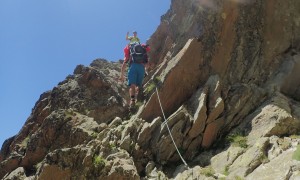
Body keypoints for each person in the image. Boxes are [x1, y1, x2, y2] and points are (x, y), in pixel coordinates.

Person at [120, 36, 150, 108]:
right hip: (142, 68)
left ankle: (133, 101)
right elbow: (147, 63)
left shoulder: (129, 49)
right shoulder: (142, 48)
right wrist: (145, 69)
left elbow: (125, 63)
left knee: (132, 85)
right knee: (138, 85)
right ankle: (139, 98)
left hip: (133, 66)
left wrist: (122, 75)